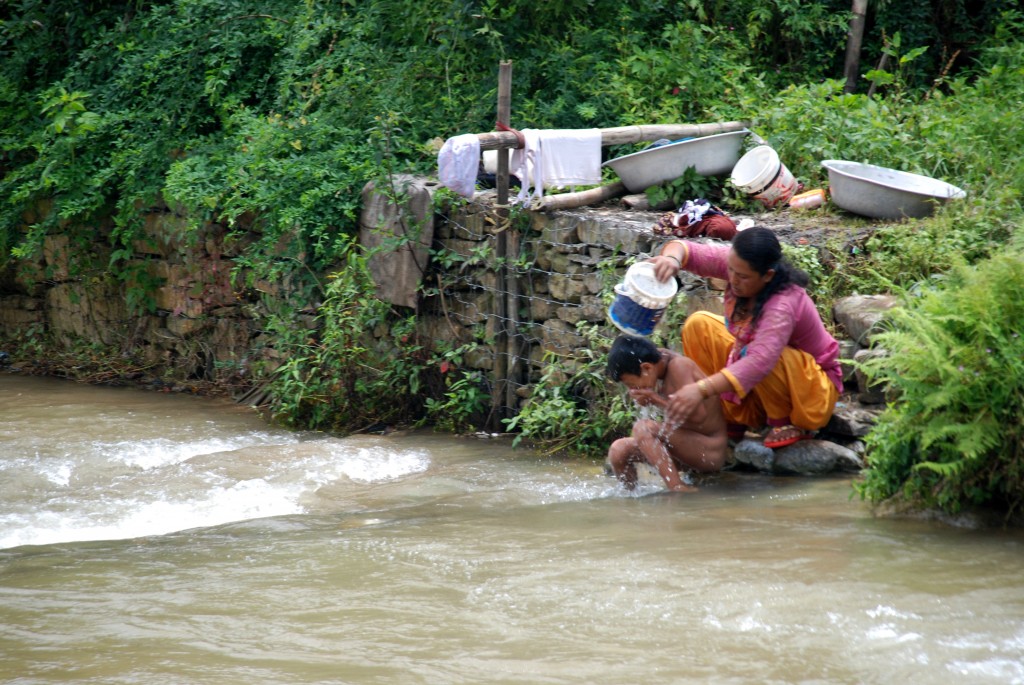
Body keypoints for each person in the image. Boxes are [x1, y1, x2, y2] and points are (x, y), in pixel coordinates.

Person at [650, 226, 842, 449]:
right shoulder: (738, 266)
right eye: (730, 271)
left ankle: (784, 422)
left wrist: (700, 389)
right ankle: (729, 416)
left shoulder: (783, 304)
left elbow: (759, 361)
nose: (733, 279)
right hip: (758, 381)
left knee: (768, 352)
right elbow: (685, 249)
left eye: (741, 276)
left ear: (768, 275)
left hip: (808, 396)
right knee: (699, 324)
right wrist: (672, 259)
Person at [605, 334, 728, 492]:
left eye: (631, 384)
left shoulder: (679, 366)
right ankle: (632, 497)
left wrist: (655, 400)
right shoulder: (658, 365)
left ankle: (677, 487)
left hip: (709, 453)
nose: (631, 390)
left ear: (647, 368)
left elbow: (699, 417)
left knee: (643, 428)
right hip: (684, 449)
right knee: (618, 450)